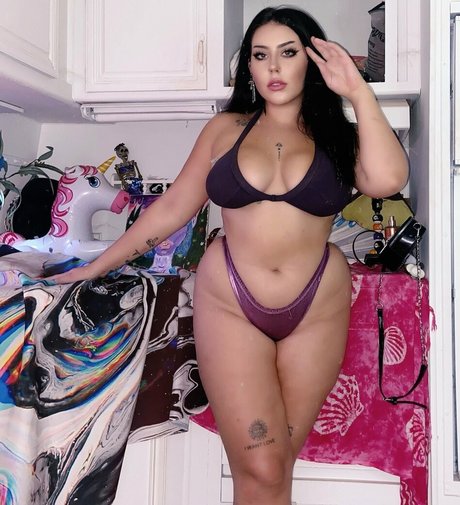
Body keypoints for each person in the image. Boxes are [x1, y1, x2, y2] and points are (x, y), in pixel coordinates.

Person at [51, 7, 409, 504]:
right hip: (232, 302)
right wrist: (94, 267)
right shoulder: (225, 130)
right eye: (260, 56)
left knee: (276, 468)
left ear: (311, 61)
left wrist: (356, 90)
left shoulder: (337, 134)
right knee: (262, 466)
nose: (274, 67)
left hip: (316, 307)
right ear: (249, 68)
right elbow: (172, 209)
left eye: (288, 53)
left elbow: (388, 180)